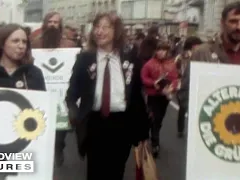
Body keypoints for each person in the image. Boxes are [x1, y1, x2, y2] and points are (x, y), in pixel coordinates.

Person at [65, 12, 149, 180]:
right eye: (96, 27)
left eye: (105, 27)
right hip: (94, 124)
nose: (99, 31)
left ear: (116, 31)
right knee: (95, 172)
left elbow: (137, 95)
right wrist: (75, 116)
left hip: (122, 124)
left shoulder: (130, 57)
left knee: (116, 171)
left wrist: (143, 132)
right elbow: (71, 94)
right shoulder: (85, 59)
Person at [178, 2, 240, 113]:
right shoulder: (202, 53)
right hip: (211, 123)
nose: (239, 27)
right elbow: (185, 93)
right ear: (222, 23)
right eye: (233, 21)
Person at [30, 11, 77, 167]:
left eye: (55, 22)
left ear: (60, 25)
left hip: (61, 92)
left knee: (60, 126)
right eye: (50, 22)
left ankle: (59, 147)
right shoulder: (35, 43)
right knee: (41, 124)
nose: (52, 25)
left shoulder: (69, 45)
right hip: (40, 89)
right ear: (45, 23)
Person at [141, 42, 179, 157]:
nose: (160, 52)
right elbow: (144, 78)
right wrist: (153, 83)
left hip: (165, 96)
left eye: (163, 50)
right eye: (159, 50)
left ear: (167, 52)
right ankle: (155, 142)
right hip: (153, 95)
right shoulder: (149, 64)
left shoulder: (171, 64)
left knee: (160, 118)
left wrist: (172, 86)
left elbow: (175, 78)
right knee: (154, 118)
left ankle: (153, 135)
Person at [175, 36, 202, 137]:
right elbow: (175, 70)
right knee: (182, 110)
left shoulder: (201, 56)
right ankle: (180, 129)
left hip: (196, 85)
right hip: (183, 85)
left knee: (194, 110)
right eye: (194, 47)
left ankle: (193, 132)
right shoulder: (181, 57)